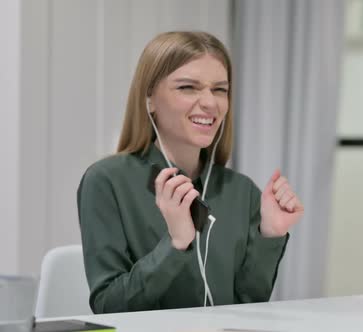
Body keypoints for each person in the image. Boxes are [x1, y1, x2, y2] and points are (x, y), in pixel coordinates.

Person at [77, 31, 304, 314]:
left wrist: (269, 234)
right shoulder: (107, 181)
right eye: (188, 87)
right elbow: (109, 307)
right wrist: (176, 244)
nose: (210, 103)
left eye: (220, 89)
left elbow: (248, 307)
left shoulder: (242, 191)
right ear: (149, 99)